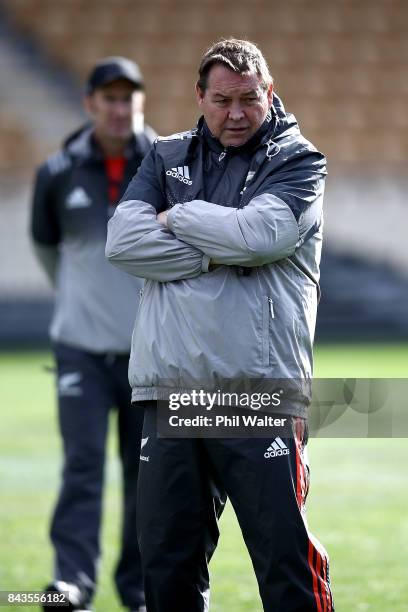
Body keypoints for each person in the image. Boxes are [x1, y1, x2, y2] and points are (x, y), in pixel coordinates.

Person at [106, 39, 334, 612]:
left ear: (270, 92)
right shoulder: (165, 156)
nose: (237, 114)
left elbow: (259, 239)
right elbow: (123, 242)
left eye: (250, 99)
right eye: (223, 100)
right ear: (200, 97)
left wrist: (177, 217)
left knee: (284, 564)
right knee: (166, 565)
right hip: (170, 390)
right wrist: (216, 249)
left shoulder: (298, 160)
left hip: (256, 391)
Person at [31, 56, 156, 612]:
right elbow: (47, 249)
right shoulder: (56, 173)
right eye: (109, 97)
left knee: (145, 476)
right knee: (82, 467)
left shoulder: (164, 163)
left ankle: (139, 586)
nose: (120, 107)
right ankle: (72, 584)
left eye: (129, 97)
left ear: (140, 103)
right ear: (90, 105)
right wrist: (86, 301)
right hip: (79, 349)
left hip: (149, 354)